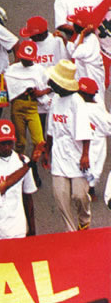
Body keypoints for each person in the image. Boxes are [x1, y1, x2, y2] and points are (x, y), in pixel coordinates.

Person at [41, 59, 93, 231]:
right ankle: (71, 232)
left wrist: (85, 154)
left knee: (79, 195)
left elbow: (85, 131)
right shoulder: (55, 100)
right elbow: (50, 130)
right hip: (59, 156)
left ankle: (84, 221)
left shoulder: (76, 102)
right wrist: (47, 152)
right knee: (61, 198)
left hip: (77, 157)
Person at [0, 120, 38, 239]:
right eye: (3, 143)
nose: (7, 147)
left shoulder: (23, 161)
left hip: (18, 231)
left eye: (10, 143)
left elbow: (28, 197)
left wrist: (32, 230)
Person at [4, 40, 51, 157]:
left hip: (32, 108)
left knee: (39, 141)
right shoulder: (12, 69)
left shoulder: (40, 70)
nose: (24, 60)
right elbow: (7, 84)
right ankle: (21, 166)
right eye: (22, 58)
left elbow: (50, 86)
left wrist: (40, 92)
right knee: (20, 143)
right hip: (17, 107)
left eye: (27, 58)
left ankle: (34, 164)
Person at [76, 76, 111, 200]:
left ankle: (90, 188)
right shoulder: (79, 105)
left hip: (97, 142)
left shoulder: (97, 107)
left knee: (96, 167)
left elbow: (108, 126)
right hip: (84, 140)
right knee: (86, 167)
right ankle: (87, 189)